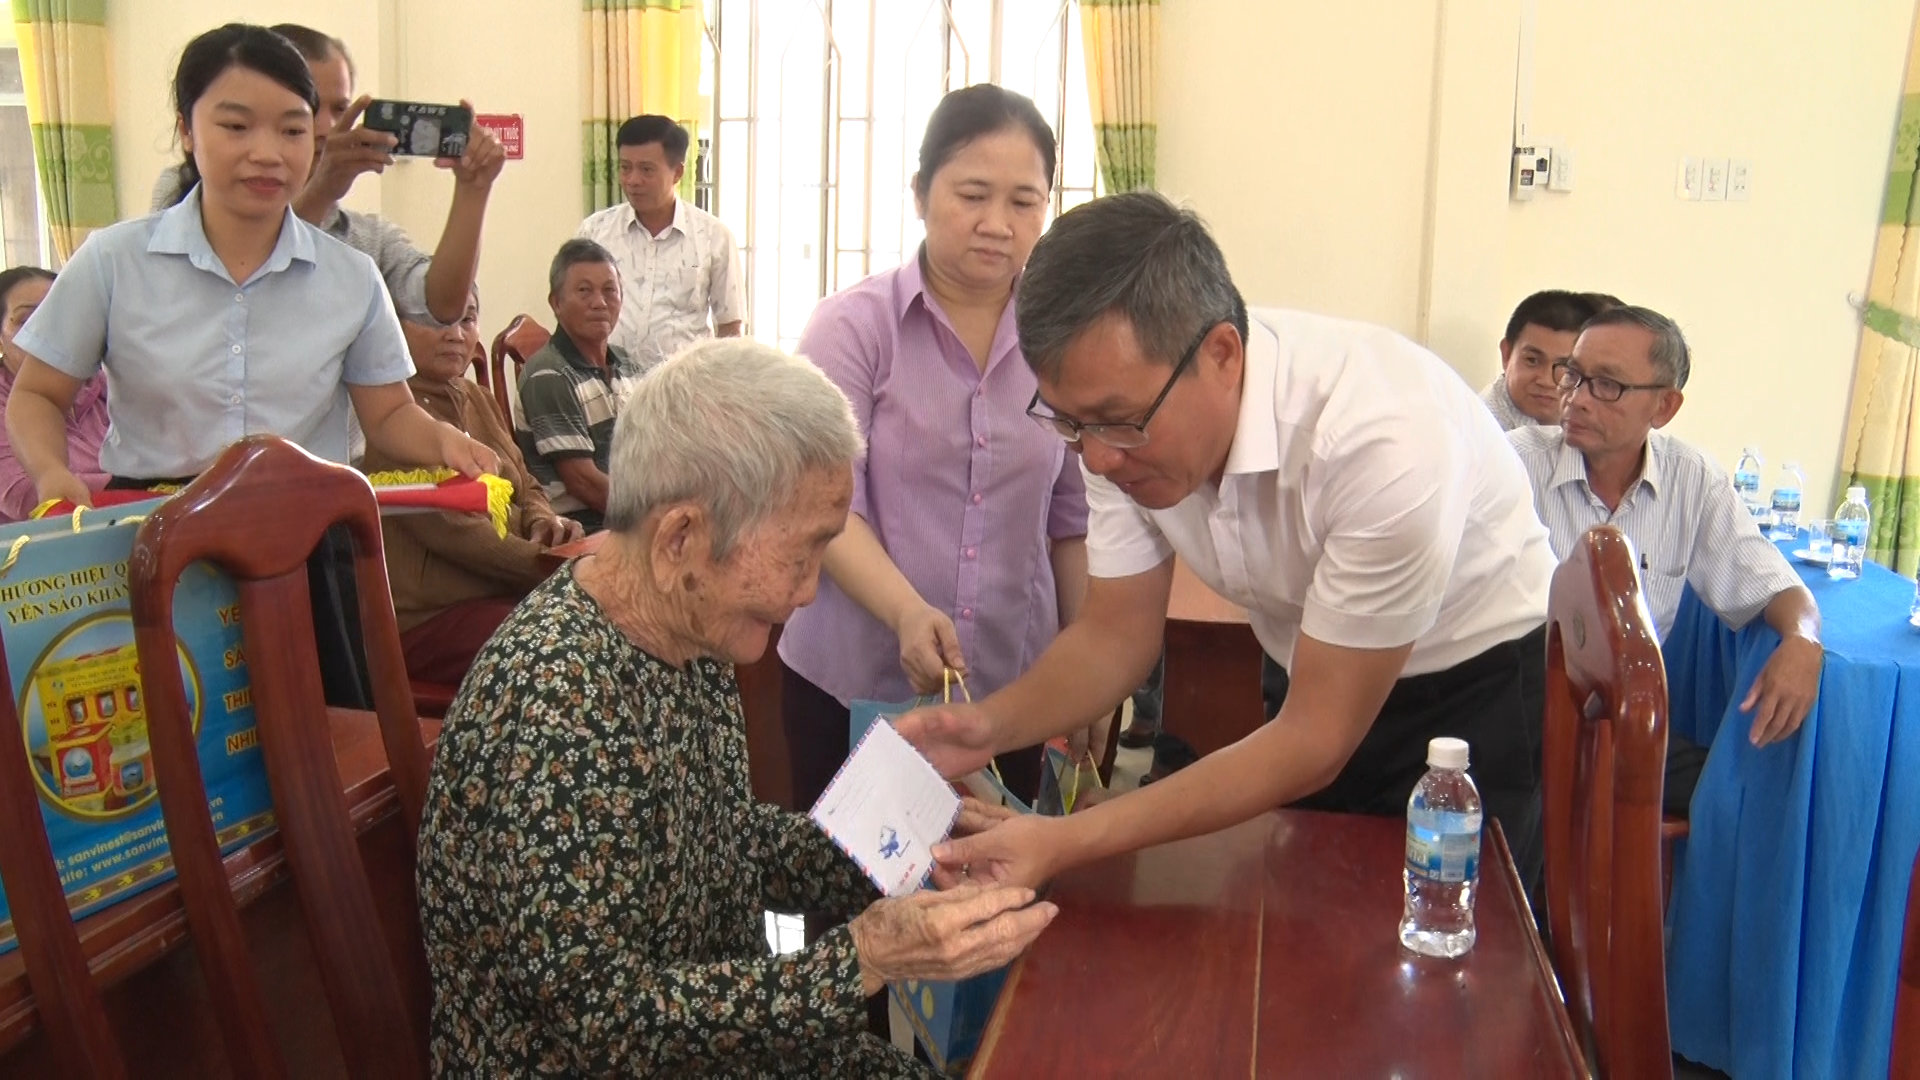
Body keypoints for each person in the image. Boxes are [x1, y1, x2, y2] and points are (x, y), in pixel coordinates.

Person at [417, 338, 1056, 1077]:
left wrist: (917, 845)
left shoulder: (688, 628)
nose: (811, 589)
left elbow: (716, 838)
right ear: (681, 537)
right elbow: (601, 1021)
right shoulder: (554, 704)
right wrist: (864, 958)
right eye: (802, 553)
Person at [898, 191, 1557, 891]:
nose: (1094, 459)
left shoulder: (1383, 443)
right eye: (1067, 424)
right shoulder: (1112, 422)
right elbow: (1115, 636)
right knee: (1300, 915)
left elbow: (1315, 741)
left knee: (1447, 948)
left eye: (1116, 422)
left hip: (1470, 693)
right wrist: (990, 725)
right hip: (1311, 660)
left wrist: (1069, 841)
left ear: (1222, 354)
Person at [6, 23, 497, 708]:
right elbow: (37, 395)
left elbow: (387, 413)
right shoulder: (114, 262)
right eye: (235, 126)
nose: (267, 153)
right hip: (154, 537)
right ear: (186, 129)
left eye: (293, 132)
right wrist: (53, 474)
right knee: (171, 751)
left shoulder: (351, 276)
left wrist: (446, 442)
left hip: (302, 547)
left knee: (315, 747)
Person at [779, 84, 1088, 814]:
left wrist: (1087, 670)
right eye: (972, 194)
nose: (997, 225)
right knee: (856, 907)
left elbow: (1071, 521)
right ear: (920, 194)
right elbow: (824, 506)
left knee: (990, 898)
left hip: (1013, 694)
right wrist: (906, 613)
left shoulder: (1065, 343)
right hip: (854, 684)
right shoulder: (852, 330)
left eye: (1024, 201)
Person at [1506, 305, 1820, 814]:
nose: (1577, 399)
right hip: (1519, 718)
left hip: (1622, 725)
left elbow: (1776, 586)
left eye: (1607, 385)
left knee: (1744, 798)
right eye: (1575, 375)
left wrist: (1803, 640)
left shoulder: (1691, 479)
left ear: (1664, 407)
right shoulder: (1513, 464)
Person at [151, 23, 504, 328]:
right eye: (308, 109)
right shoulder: (190, 197)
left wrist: (474, 189)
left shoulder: (364, 240)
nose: (325, 127)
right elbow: (230, 294)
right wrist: (320, 191)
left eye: (340, 108)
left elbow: (441, 306)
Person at [363, 286, 585, 687]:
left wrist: (544, 521)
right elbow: (463, 535)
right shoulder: (395, 422)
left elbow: (526, 480)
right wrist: (560, 566)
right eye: (435, 321)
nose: (455, 333)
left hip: (505, 589)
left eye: (467, 319)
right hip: (434, 617)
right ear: (393, 326)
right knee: (566, 643)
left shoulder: (477, 396)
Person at [577, 114, 745, 372]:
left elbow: (730, 328)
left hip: (685, 387)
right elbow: (573, 311)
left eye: (646, 169)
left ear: (677, 172)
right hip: (606, 381)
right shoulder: (595, 232)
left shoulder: (714, 237)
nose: (632, 180)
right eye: (625, 167)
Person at [515, 238, 644, 533]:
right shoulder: (549, 374)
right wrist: (654, 518)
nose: (600, 302)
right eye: (584, 291)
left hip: (629, 518)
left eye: (609, 290)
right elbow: (584, 484)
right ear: (556, 302)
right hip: (585, 530)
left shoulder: (628, 365)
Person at [0, 267, 106, 523]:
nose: (46, 331)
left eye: (59, 316)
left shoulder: (106, 385)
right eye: (26, 320)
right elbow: (26, 496)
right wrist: (144, 486)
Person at [1482, 290, 1620, 430]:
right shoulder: (1484, 433)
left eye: (1566, 366)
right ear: (1507, 354)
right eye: (1532, 360)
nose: (1546, 381)